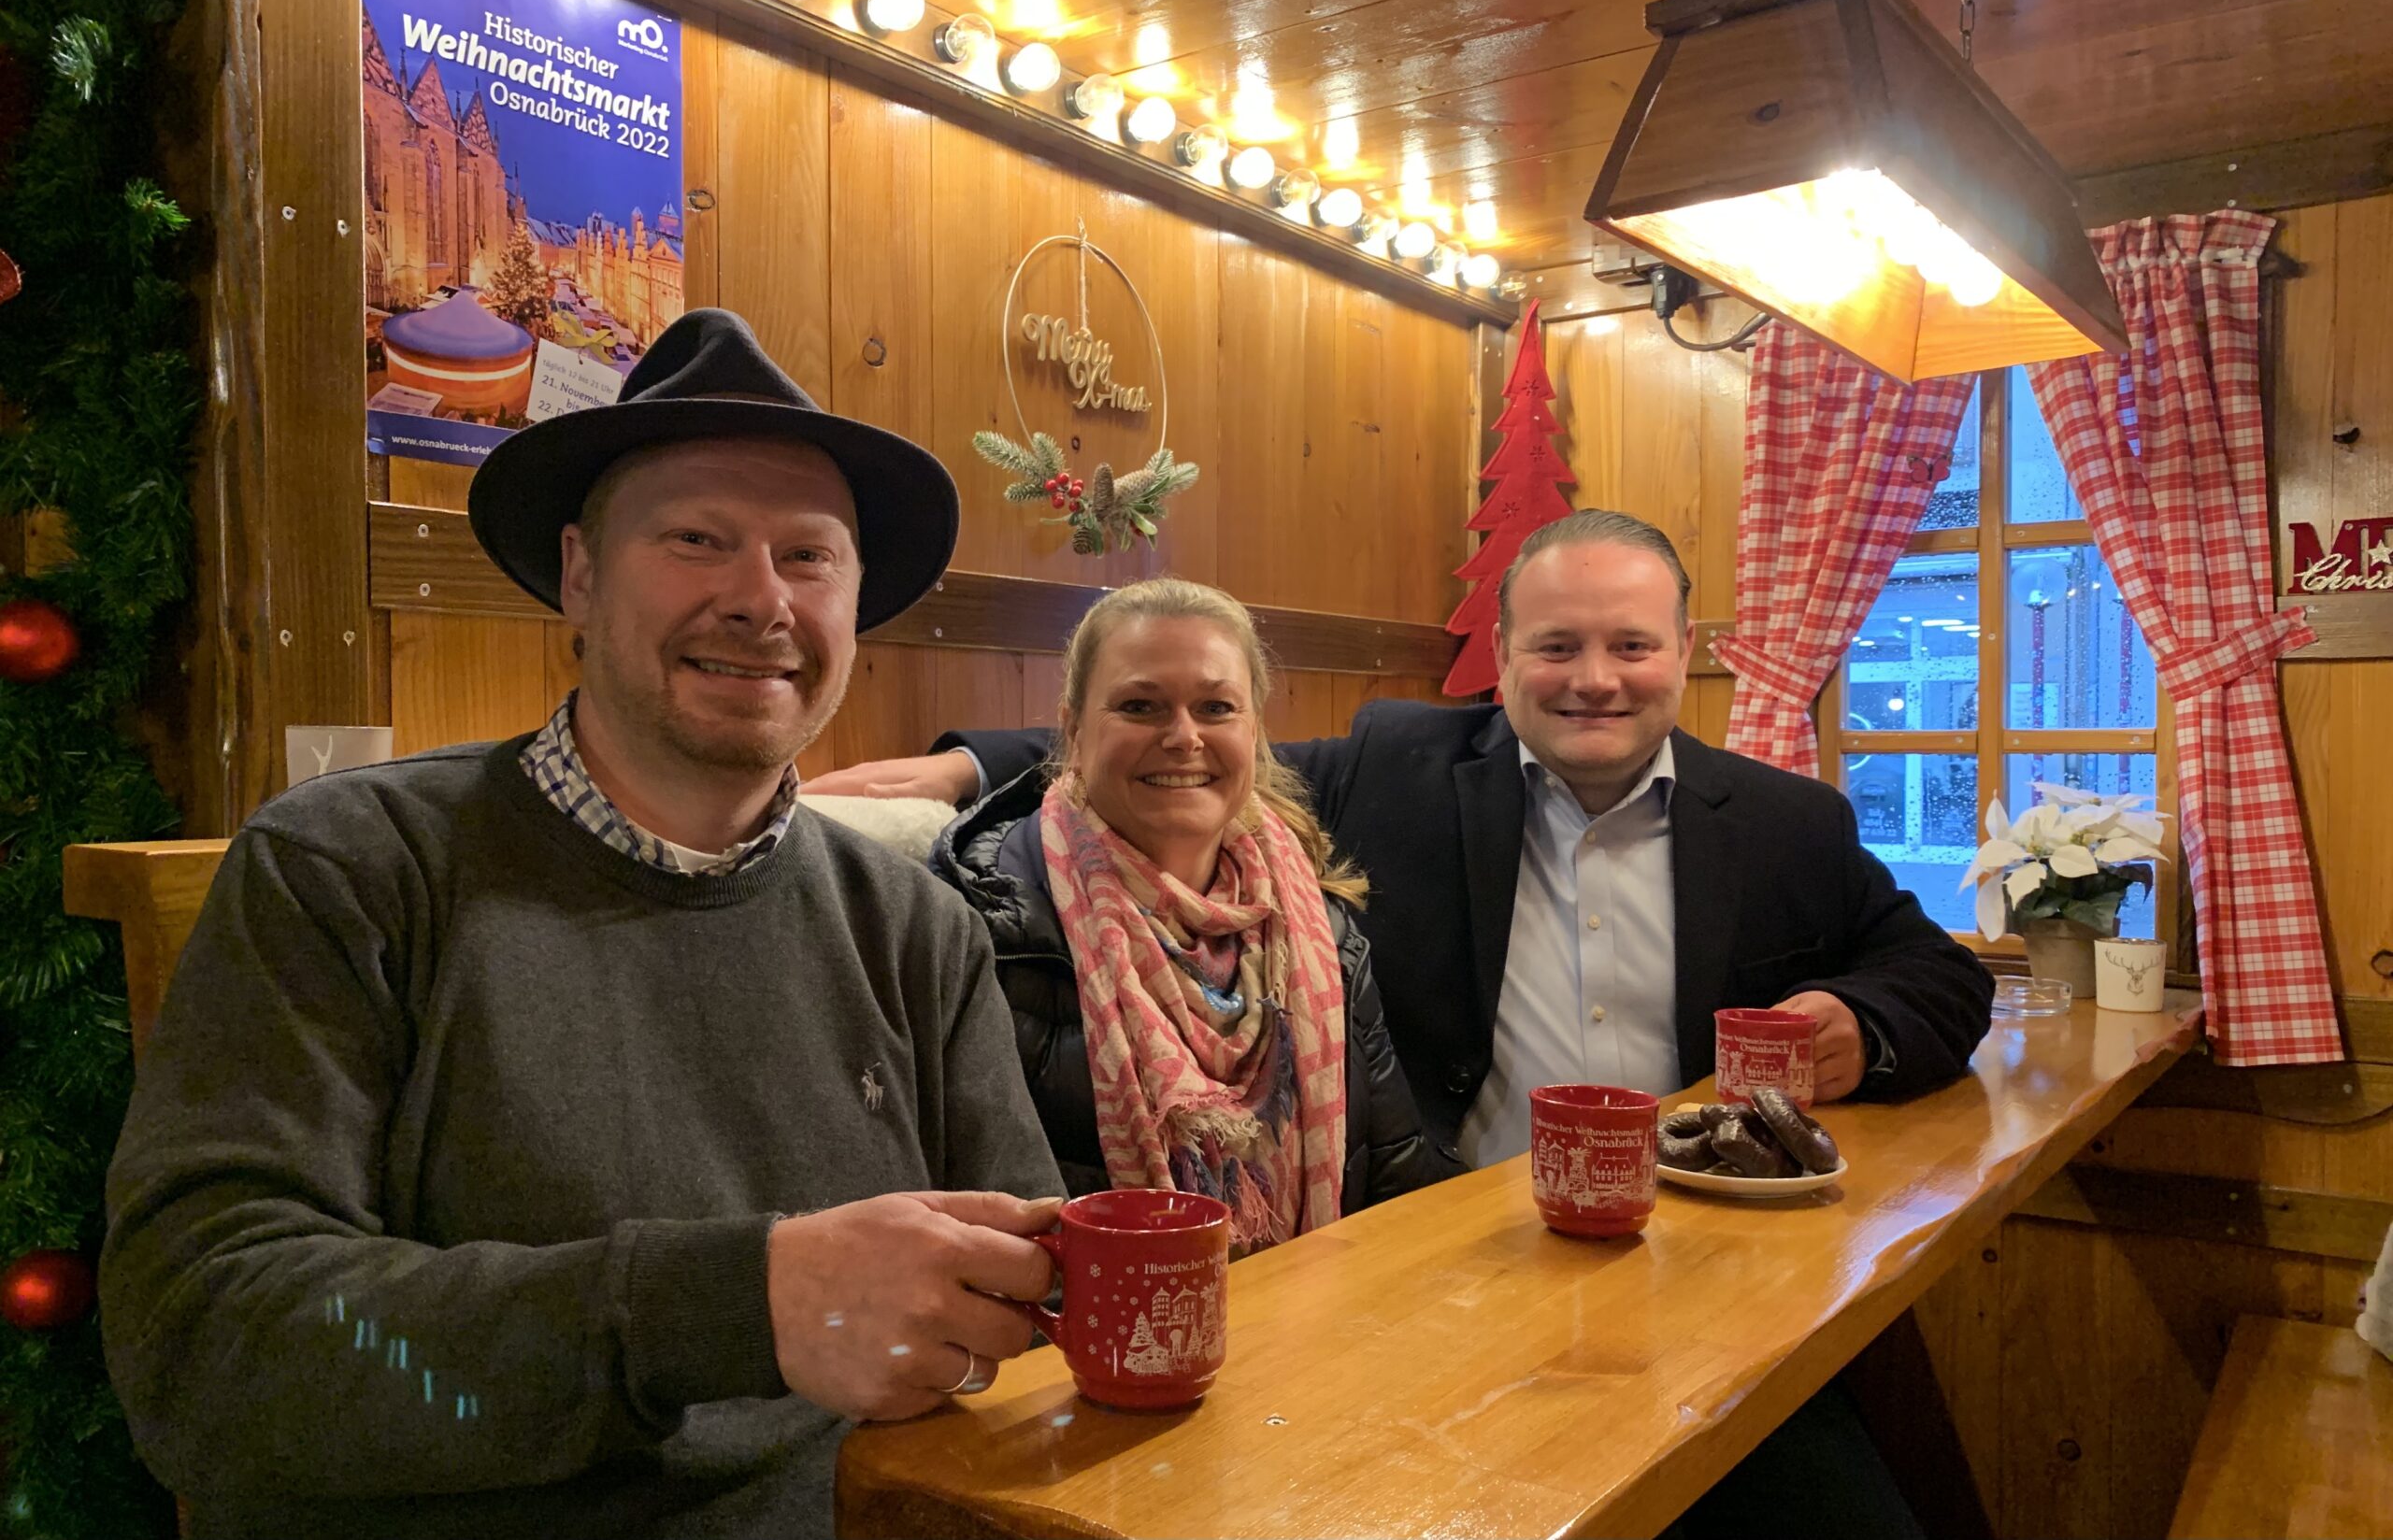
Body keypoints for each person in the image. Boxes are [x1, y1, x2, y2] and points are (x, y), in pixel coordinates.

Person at [814, 506, 1995, 1540]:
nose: (1594, 678)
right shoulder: (1397, 763)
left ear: (1686, 652)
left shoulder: (1789, 824)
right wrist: (962, 769)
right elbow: (1188, 748)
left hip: (1699, 1283)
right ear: (1504, 657)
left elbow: (1938, 973)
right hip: (1456, 1271)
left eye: (1631, 645)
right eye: (1556, 645)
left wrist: (1859, 1018)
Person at [100, 309, 1066, 1539]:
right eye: (696, 539)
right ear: (580, 574)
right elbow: (207, 1338)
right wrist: (737, 1304)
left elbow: (1020, 1300)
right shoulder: (351, 868)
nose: (760, 600)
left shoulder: (917, 928)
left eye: (809, 556)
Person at [932, 578, 1451, 1252]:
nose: (1183, 737)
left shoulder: (1325, 929)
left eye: (1215, 707)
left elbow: (1397, 1190)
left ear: (1253, 732)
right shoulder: (973, 929)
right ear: (1074, 730)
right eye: (1140, 706)